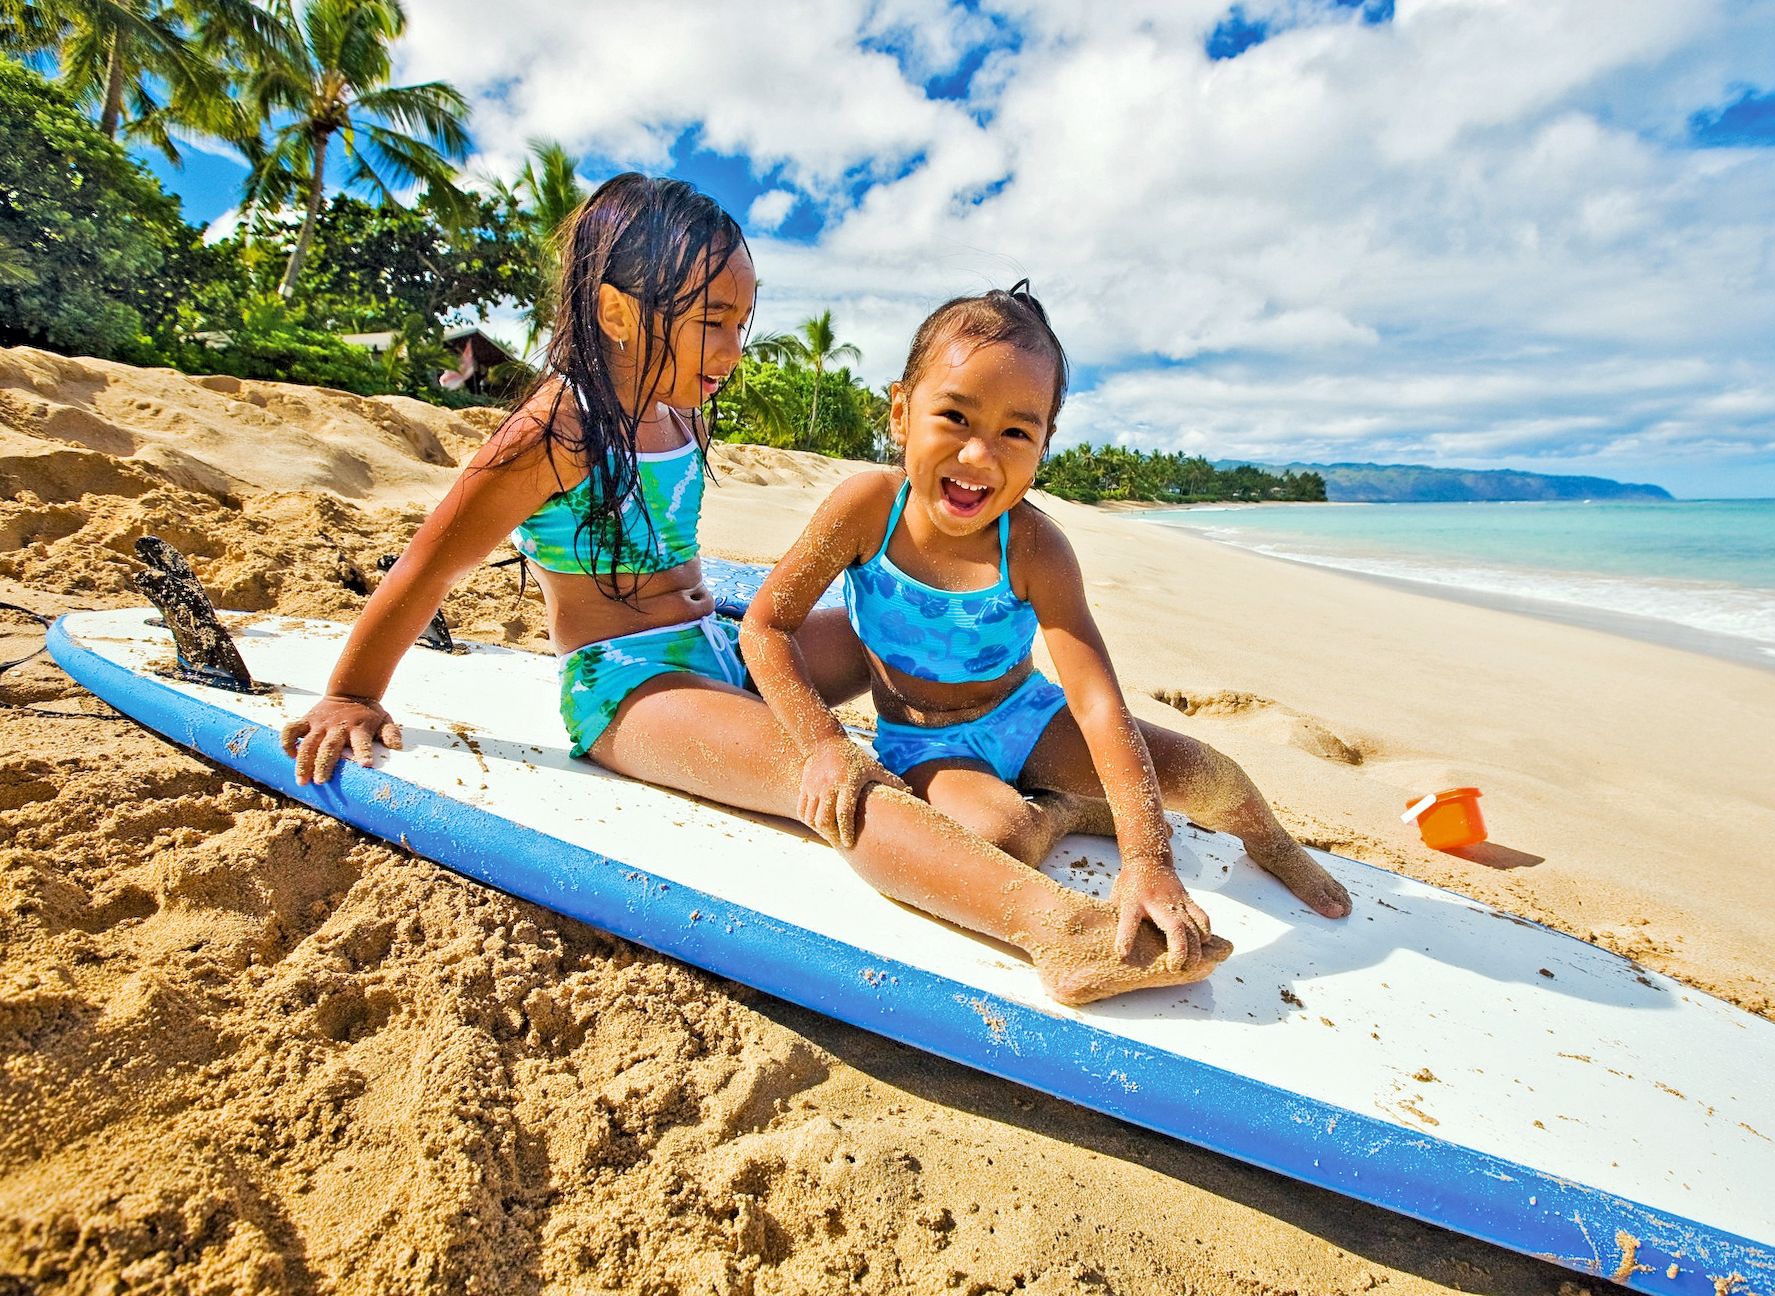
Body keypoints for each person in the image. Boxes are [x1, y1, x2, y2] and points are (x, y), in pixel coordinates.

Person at [279, 176, 1226, 1005]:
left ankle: (997, 768)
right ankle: (1055, 932)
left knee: (887, 630)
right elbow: (426, 567)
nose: (732, 347)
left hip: (718, 647)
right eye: (711, 322)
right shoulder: (552, 433)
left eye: (742, 320)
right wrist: (354, 692)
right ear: (615, 312)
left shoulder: (674, 401)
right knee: (822, 780)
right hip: (628, 686)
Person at [740, 284, 1354, 969]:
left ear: (1043, 445)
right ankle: (1062, 811)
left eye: (1014, 432)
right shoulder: (864, 509)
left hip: (1024, 716)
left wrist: (1146, 855)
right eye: (954, 417)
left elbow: (1094, 700)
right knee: (993, 841)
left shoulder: (1035, 548)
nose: (979, 456)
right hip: (921, 738)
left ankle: (1269, 841)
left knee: (1206, 775)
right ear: (900, 411)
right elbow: (764, 627)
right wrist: (825, 744)